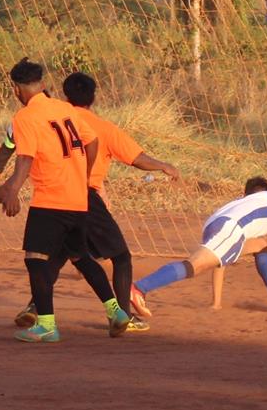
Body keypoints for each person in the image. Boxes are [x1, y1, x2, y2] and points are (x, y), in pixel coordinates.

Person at [11, 72, 180, 332]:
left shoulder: (56, 113)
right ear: (93, 97)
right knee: (115, 256)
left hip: (57, 193)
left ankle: (38, 311)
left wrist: (6, 185)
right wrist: (163, 165)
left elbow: (19, 150)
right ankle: (120, 313)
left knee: (49, 256)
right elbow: (136, 158)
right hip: (85, 195)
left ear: (65, 94)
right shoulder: (100, 126)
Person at [0, 58, 130, 343]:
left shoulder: (25, 117)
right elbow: (92, 142)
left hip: (50, 198)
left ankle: (46, 325)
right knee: (80, 255)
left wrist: (13, 190)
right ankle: (115, 310)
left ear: (16, 89)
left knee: (35, 258)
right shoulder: (65, 109)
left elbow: (25, 157)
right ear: (43, 84)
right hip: (79, 197)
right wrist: (84, 175)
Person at [130, 176, 267, 317]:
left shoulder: (239, 203)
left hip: (216, 224)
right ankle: (139, 288)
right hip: (230, 227)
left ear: (246, 194)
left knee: (260, 245)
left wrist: (216, 303)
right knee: (192, 266)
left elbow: (220, 260)